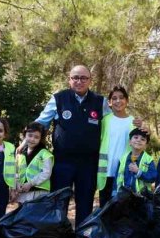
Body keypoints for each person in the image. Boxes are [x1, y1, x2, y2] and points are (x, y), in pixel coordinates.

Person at [36, 67, 145, 226]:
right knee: (59, 204)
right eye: (75, 77)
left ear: (90, 80)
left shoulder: (100, 101)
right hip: (62, 162)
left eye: (83, 78)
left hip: (89, 164)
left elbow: (117, 116)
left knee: (85, 205)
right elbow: (41, 123)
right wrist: (26, 142)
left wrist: (138, 123)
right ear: (69, 79)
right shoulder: (58, 99)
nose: (79, 81)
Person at [96, 86, 135, 206]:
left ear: (127, 101)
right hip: (105, 172)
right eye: (114, 98)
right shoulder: (104, 120)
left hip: (124, 172)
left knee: (122, 208)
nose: (118, 101)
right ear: (109, 103)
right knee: (105, 207)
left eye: (122, 98)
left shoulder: (134, 122)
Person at [15, 122, 54, 204]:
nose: (32, 139)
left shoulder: (45, 154)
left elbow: (46, 173)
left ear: (41, 139)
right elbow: (16, 171)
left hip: (39, 193)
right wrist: (17, 183)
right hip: (22, 194)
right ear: (25, 136)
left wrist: (31, 183)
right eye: (30, 135)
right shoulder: (20, 153)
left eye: (36, 137)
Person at [115, 128, 157, 194]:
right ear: (130, 142)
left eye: (142, 139)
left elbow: (153, 177)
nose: (138, 140)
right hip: (124, 196)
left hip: (142, 197)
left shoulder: (149, 160)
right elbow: (117, 177)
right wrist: (115, 193)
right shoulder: (123, 159)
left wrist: (138, 172)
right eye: (136, 137)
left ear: (146, 145)